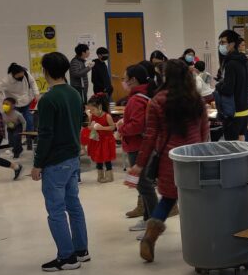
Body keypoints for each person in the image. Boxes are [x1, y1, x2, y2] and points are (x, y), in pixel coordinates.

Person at [131, 60, 210, 263]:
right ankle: (200, 242)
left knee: (167, 199)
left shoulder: (157, 101)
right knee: (196, 200)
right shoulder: (196, 99)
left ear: (166, 77)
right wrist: (203, 153)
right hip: (194, 156)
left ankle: (150, 236)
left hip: (169, 158)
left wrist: (140, 163)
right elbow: (204, 131)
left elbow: (150, 136)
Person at [31, 52, 89, 272]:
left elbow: (45, 134)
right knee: (74, 205)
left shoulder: (48, 99)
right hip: (73, 158)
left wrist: (37, 164)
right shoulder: (74, 93)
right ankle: (81, 250)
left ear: (45, 71)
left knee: (56, 210)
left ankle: (67, 257)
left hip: (55, 162)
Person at [116, 64, 153, 230]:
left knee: (144, 185)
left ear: (133, 80)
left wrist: (121, 129)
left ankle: (153, 222)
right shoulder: (141, 97)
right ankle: (148, 218)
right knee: (142, 184)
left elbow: (137, 125)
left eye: (124, 78)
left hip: (137, 146)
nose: (123, 82)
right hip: (138, 145)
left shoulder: (136, 99)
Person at [216, 30, 248, 141]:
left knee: (231, 145)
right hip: (244, 109)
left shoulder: (230, 63)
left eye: (223, 42)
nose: (221, 45)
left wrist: (218, 86)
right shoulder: (243, 60)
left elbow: (228, 89)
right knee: (241, 141)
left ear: (232, 44)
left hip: (233, 111)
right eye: (220, 43)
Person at [0, 63, 39, 132]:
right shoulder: (6, 81)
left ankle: (30, 136)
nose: (22, 77)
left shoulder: (26, 73)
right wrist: (4, 101)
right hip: (14, 105)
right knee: (14, 124)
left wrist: (36, 93)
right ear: (14, 75)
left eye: (22, 75)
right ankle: (15, 137)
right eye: (19, 76)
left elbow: (32, 82)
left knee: (29, 120)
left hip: (26, 102)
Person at [83, 93, 116, 183]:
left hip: (106, 140)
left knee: (107, 157)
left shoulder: (107, 116)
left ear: (100, 107)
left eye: (93, 109)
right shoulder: (92, 116)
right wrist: (91, 127)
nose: (91, 112)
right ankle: (100, 175)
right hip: (96, 139)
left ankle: (109, 176)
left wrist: (102, 128)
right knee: (98, 157)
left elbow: (112, 127)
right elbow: (89, 126)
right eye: (90, 110)